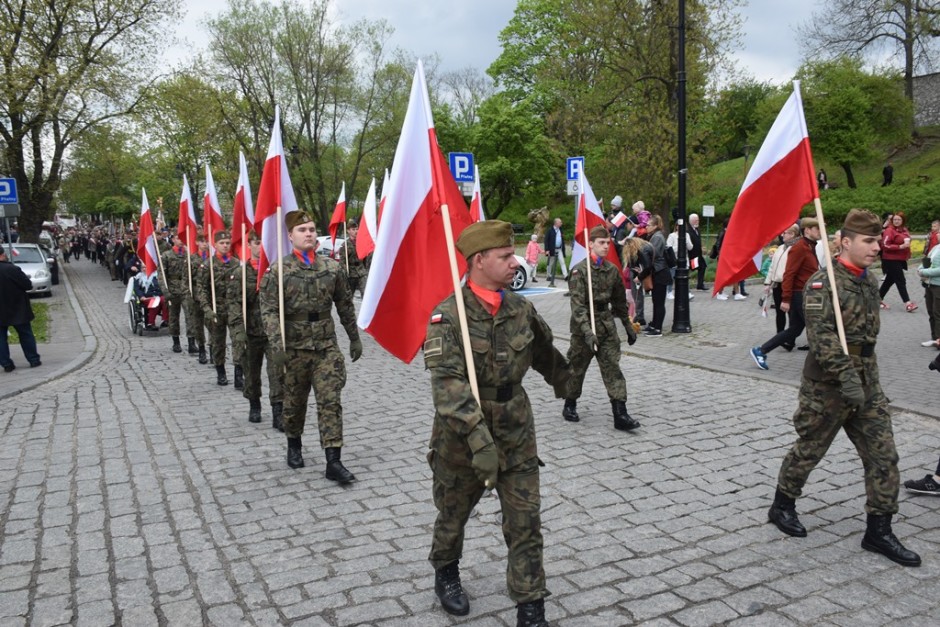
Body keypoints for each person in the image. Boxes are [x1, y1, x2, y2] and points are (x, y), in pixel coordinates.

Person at [423, 219, 569, 626]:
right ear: (480, 260)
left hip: (516, 430)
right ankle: (446, 571)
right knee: (453, 513)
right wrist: (478, 439)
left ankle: (530, 605)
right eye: (505, 256)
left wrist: (573, 377)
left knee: (526, 519)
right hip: (461, 437)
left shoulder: (521, 308)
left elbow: (545, 355)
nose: (513, 262)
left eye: (513, 254)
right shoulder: (447, 315)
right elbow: (448, 385)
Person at [767, 209, 920, 568]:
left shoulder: (868, 281)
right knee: (809, 449)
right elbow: (822, 341)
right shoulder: (822, 283)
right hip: (828, 386)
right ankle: (782, 505)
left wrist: (866, 384)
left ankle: (878, 531)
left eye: (877, 240)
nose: (876, 247)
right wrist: (849, 381)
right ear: (845, 242)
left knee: (884, 456)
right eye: (868, 241)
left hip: (867, 381)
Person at [259, 211, 361, 478]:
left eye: (312, 229)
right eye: (302, 229)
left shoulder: (331, 268)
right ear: (290, 236)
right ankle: (294, 444)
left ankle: (333, 461)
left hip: (326, 347)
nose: (308, 234)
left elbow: (345, 306)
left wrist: (354, 337)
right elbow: (268, 310)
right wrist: (277, 345)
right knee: (294, 403)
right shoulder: (279, 270)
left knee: (331, 401)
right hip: (294, 349)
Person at [562, 225, 639, 430]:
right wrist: (587, 333)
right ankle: (570, 403)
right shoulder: (580, 271)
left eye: (607, 243)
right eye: (601, 243)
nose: (606, 246)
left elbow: (620, 303)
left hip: (606, 326)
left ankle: (620, 414)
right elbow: (577, 307)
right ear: (590, 244)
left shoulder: (611, 270)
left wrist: (628, 326)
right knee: (576, 369)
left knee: (612, 368)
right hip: (583, 329)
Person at [750, 218, 822, 370]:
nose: (820, 231)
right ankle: (822, 363)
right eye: (817, 228)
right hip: (800, 294)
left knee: (795, 329)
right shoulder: (800, 248)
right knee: (816, 326)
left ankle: (761, 351)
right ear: (807, 230)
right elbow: (789, 274)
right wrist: (786, 299)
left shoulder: (810, 246)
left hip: (805, 292)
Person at [228, 232, 284, 428]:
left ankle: (278, 410)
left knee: (277, 372)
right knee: (251, 372)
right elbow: (234, 304)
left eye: (264, 243)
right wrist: (238, 331)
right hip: (250, 332)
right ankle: (254, 404)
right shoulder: (240, 273)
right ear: (249, 245)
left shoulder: (276, 271)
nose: (260, 247)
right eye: (257, 243)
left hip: (273, 332)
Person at [197, 231, 240, 386]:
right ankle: (220, 371)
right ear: (215, 245)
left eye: (227, 243)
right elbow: (201, 289)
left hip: (234, 309)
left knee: (238, 341)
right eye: (222, 243)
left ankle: (238, 373)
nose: (225, 245)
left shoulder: (236, 263)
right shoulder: (208, 264)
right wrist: (207, 309)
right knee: (218, 342)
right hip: (217, 308)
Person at [0, 247, 41, 372]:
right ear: (2, 255)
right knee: (25, 334)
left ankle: (6, 364)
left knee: (0, 338)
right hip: (17, 307)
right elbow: (27, 285)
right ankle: (33, 359)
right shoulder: (11, 269)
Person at [762, 225, 801, 340]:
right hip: (777, 284)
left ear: (793, 234)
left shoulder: (797, 248)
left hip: (789, 285)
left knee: (791, 313)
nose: (782, 235)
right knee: (779, 312)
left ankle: (790, 338)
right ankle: (779, 335)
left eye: (785, 233)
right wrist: (768, 283)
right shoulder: (780, 248)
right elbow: (772, 267)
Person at [159, 233, 196, 355]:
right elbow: (162, 276)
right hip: (172, 289)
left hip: (186, 289)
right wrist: (166, 291)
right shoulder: (167, 255)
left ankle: (192, 342)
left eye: (183, 238)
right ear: (173, 239)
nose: (181, 241)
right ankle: (176, 341)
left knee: (190, 316)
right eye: (178, 238)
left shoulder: (189, 255)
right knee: (173, 316)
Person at [879, 211, 916, 312]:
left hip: (900, 259)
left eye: (899, 219)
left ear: (903, 221)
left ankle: (877, 299)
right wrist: (899, 246)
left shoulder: (904, 230)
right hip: (891, 259)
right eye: (894, 219)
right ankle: (908, 303)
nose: (896, 221)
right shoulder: (889, 230)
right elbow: (885, 245)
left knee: (889, 281)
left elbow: (907, 239)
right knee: (900, 281)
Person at [644, 215, 671, 336]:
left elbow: (653, 252)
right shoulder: (653, 236)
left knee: (659, 301)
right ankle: (654, 323)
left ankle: (658, 328)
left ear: (655, 226)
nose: (646, 227)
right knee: (655, 300)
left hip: (660, 272)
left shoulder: (658, 237)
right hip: (656, 272)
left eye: (649, 225)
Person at [190, 235, 210, 364]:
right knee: (198, 325)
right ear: (197, 242)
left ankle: (214, 349)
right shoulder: (191, 259)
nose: (205, 244)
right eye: (202, 241)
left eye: (207, 241)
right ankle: (201, 348)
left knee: (213, 325)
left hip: (210, 296)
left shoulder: (212, 259)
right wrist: (189, 297)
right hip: (196, 297)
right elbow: (187, 281)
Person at [335, 218, 367, 298]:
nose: (356, 231)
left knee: (366, 294)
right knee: (348, 296)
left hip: (361, 272)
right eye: (353, 229)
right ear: (348, 231)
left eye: (357, 229)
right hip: (351, 274)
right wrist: (345, 273)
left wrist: (366, 270)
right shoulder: (345, 245)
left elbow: (366, 258)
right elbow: (342, 262)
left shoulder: (361, 243)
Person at [665, 222, 693, 300]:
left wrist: (686, 242)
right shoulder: (672, 235)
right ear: (676, 227)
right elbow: (669, 247)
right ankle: (669, 292)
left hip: (684, 259)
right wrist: (679, 245)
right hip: (674, 259)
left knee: (685, 276)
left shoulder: (687, 235)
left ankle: (687, 292)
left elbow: (690, 247)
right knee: (672, 276)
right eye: (679, 226)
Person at [543, 218, 567, 287]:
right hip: (552, 250)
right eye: (560, 222)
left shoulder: (561, 230)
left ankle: (566, 276)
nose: (561, 223)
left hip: (559, 249)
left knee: (562, 262)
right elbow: (546, 240)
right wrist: (547, 250)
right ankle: (548, 275)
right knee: (550, 263)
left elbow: (562, 239)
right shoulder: (550, 230)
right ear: (556, 223)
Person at [688, 213, 707, 290]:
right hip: (692, 254)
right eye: (696, 220)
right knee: (691, 268)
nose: (697, 222)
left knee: (702, 267)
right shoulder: (688, 230)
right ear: (691, 221)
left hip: (698, 254)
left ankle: (700, 284)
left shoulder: (697, 229)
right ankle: (687, 285)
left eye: (698, 220)